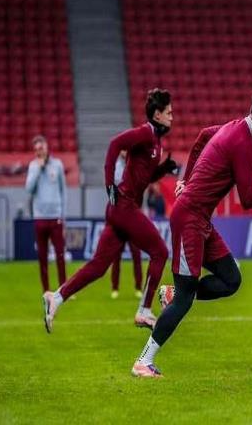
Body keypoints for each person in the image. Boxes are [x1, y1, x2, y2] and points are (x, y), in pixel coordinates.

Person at [132, 82, 252, 377]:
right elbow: (247, 199)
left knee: (231, 279)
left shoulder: (233, 128)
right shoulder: (243, 144)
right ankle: (143, 361)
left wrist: (186, 179)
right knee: (185, 300)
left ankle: (172, 293)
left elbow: (203, 135)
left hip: (201, 221)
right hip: (189, 221)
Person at [42, 88, 177, 332]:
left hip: (119, 209)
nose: (172, 116)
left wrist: (163, 169)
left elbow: (143, 178)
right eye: (168, 112)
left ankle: (57, 297)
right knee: (160, 252)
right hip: (124, 207)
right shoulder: (145, 133)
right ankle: (144, 310)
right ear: (157, 114)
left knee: (98, 266)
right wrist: (109, 184)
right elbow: (115, 144)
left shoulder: (156, 141)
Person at [25, 135, 67, 293]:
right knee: (42, 257)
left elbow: (63, 192)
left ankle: (64, 290)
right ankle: (46, 290)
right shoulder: (33, 166)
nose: (39, 151)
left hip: (55, 217)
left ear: (47, 148)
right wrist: (38, 169)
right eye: (36, 149)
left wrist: (63, 216)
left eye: (41, 148)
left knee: (60, 255)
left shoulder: (58, 165)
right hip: (40, 218)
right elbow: (29, 189)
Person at [110, 151, 143, 300]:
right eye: (122, 149)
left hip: (133, 216)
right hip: (119, 216)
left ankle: (138, 287)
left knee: (136, 254)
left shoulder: (136, 165)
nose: (124, 152)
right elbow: (113, 189)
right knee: (116, 254)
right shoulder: (115, 167)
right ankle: (115, 288)